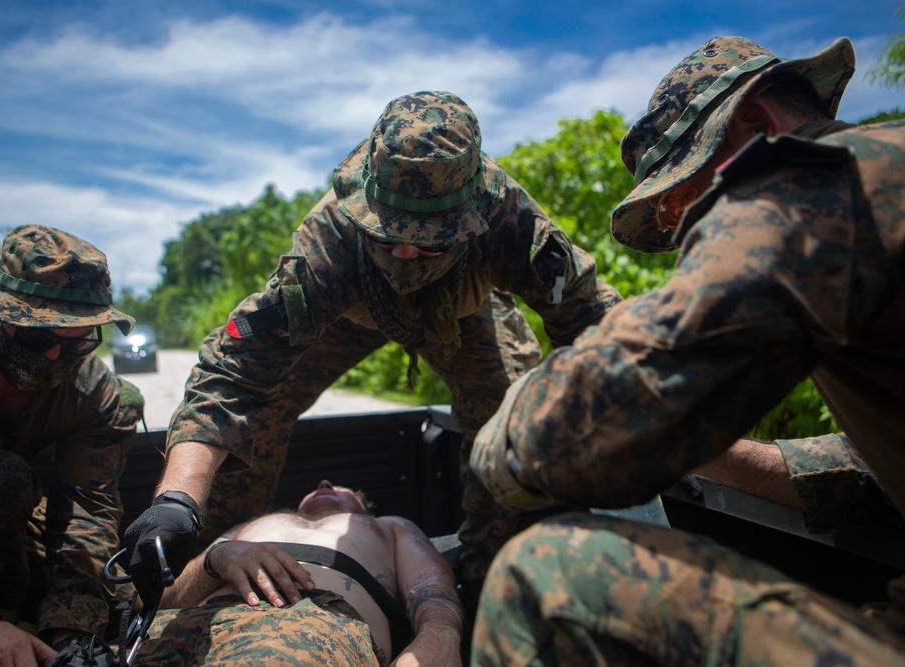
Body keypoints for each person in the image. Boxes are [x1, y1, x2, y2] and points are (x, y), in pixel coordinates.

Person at [470, 36, 905, 664]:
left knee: (544, 570)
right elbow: (880, 472)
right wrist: (711, 448)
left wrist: (501, 436)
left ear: (757, 126)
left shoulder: (806, 182)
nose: (679, 226)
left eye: (684, 193)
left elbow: (561, 442)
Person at [123, 90, 620, 619]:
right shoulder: (329, 239)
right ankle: (207, 576)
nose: (405, 254)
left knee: (507, 424)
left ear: (471, 216)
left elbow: (595, 325)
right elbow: (236, 372)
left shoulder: (512, 222)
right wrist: (177, 499)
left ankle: (487, 589)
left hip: (463, 315)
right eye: (388, 237)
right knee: (259, 413)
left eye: (428, 241)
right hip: (347, 315)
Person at [0, 225, 144, 666]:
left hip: (2, 532)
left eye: (78, 343)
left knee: (121, 596)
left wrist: (72, 631)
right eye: (38, 338)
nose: (55, 358)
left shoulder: (96, 393)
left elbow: (86, 513)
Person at [130, 479, 463, 667]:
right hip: (176, 628)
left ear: (362, 506)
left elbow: (431, 586)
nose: (324, 482)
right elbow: (150, 602)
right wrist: (216, 559)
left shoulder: (386, 527)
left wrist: (439, 641)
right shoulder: (248, 528)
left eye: (342, 487)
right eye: (314, 486)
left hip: (305, 626)